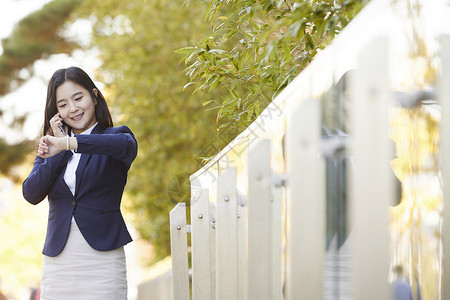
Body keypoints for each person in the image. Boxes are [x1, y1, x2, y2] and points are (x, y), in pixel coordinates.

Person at [22, 66, 138, 300]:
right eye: (63, 104)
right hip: (59, 260)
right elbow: (31, 193)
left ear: (94, 96)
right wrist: (57, 149)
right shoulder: (52, 149)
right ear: (56, 112)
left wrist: (70, 143)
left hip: (103, 257)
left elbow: (124, 146)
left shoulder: (116, 138)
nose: (73, 109)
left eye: (78, 98)